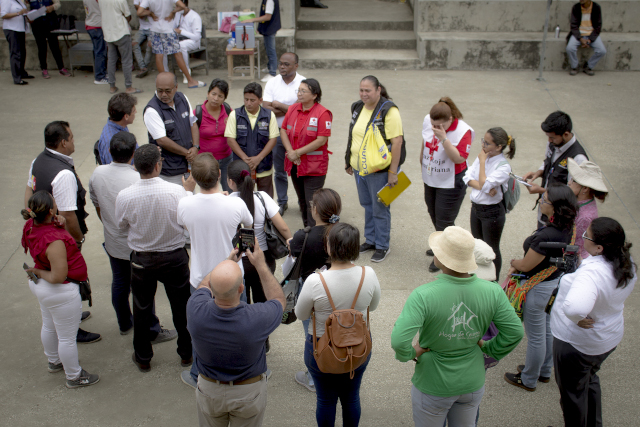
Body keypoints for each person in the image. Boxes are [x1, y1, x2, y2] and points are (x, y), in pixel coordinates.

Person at [391, 226, 523, 426]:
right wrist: (489, 348)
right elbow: (515, 332)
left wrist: (410, 353)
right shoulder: (493, 291)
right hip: (472, 382)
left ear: (441, 258)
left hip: (432, 382)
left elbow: (399, 341)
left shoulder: (423, 295)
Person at [115, 144, 196, 372]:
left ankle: (143, 358)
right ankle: (186, 353)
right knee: (182, 307)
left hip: (142, 259)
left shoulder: (125, 195)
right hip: (174, 257)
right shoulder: (176, 192)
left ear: (135, 166)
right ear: (158, 165)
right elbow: (185, 222)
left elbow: (121, 227)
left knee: (141, 308)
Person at [89, 132, 175, 343]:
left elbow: (96, 203)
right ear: (134, 154)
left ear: (109, 152)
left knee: (119, 282)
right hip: (138, 246)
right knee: (145, 291)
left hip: (113, 240)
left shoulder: (98, 173)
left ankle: (124, 323)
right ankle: (152, 330)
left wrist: (109, 223)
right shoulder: (138, 179)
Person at [177, 153, 253, 389]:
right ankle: (243, 369)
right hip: (232, 276)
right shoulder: (235, 203)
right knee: (239, 325)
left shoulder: (184, 203)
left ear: (194, 178)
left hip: (200, 278)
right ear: (220, 174)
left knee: (201, 328)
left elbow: (184, 222)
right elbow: (249, 226)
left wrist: (188, 191)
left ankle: (197, 372)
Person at [550, 217, 636, 427]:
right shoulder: (626, 262)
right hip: (607, 337)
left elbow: (575, 307)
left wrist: (576, 318)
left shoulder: (592, 273)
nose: (583, 237)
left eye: (586, 236)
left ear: (599, 247)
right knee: (589, 380)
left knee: (572, 395)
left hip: (578, 345)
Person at [187, 243, 285, 427]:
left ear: (212, 291)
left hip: (209, 390)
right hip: (247, 392)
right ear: (241, 289)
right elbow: (278, 299)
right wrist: (261, 265)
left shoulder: (195, 309)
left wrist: (226, 262)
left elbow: (202, 285)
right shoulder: (257, 318)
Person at [295, 222, 380, 426]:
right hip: (358, 345)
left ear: (329, 247)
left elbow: (300, 313)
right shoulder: (368, 274)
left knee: (325, 400)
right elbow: (374, 306)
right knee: (351, 397)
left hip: (321, 347)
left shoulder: (316, 281)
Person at [24, 121, 100, 344]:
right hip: (60, 239)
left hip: (43, 234)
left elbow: (29, 189)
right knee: (70, 278)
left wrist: (33, 220)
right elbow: (68, 215)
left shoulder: (37, 160)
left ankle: (72, 315)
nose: (74, 141)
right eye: (72, 137)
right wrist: (77, 239)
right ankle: (71, 326)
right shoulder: (63, 174)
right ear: (63, 142)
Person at [21, 191, 100, 388]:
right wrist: (39, 271)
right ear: (50, 210)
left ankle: (54, 361)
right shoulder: (54, 241)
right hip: (59, 291)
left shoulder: (31, 225)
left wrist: (60, 225)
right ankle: (74, 376)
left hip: (44, 290)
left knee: (49, 324)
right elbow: (58, 276)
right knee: (67, 337)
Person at [504, 183, 578, 392]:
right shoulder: (567, 227)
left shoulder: (546, 237)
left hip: (537, 288)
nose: (541, 202)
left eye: (544, 200)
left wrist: (514, 262)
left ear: (555, 207)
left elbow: (526, 265)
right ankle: (544, 370)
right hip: (553, 283)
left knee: (536, 337)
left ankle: (528, 379)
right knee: (547, 330)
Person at [345, 76, 406, 263]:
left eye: (368, 90)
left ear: (378, 90)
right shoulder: (357, 107)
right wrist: (349, 160)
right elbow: (353, 135)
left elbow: (397, 142)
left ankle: (382, 245)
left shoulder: (389, 111)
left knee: (380, 207)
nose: (364, 94)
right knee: (367, 205)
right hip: (359, 168)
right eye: (361, 90)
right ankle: (370, 240)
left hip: (380, 170)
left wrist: (393, 172)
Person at [289, 188, 340, 393]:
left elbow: (292, 254)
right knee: (335, 330)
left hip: (311, 290)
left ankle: (313, 378)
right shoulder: (341, 233)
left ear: (316, 210)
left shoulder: (303, 236)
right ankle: (337, 365)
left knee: (313, 334)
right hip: (338, 288)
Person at [227, 160, 292, 311]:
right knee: (263, 305)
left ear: (230, 182)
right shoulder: (262, 197)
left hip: (238, 261)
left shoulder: (227, 202)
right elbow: (282, 227)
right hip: (263, 259)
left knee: (241, 304)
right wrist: (290, 242)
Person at [421, 97, 474, 273]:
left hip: (451, 181)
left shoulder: (463, 131)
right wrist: (422, 158)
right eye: (433, 124)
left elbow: (459, 158)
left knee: (445, 219)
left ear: (450, 119)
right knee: (433, 213)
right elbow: (425, 140)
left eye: (440, 125)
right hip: (432, 177)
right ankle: (441, 245)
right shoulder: (429, 120)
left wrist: (443, 138)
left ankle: (442, 255)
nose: (435, 128)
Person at [463, 127, 516, 280]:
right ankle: (478, 277)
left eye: (487, 143)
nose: (483, 145)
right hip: (476, 208)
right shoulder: (483, 156)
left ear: (499, 146)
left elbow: (485, 184)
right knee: (477, 246)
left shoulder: (503, 166)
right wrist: (483, 186)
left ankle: (493, 281)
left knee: (491, 249)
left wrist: (482, 163)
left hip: (492, 212)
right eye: (483, 141)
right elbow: (467, 177)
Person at [280, 78, 332, 227]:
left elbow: (321, 140)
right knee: (302, 202)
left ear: (314, 95)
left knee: (313, 205)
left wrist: (297, 152)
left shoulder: (323, 113)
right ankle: (307, 232)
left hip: (314, 168)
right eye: (299, 90)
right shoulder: (292, 109)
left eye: (304, 91)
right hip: (296, 164)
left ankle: (314, 236)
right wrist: (291, 152)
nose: (300, 93)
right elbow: (283, 130)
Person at [522, 111, 588, 228]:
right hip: (545, 210)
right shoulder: (555, 143)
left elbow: (571, 193)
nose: (549, 141)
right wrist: (539, 172)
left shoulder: (578, 159)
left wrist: (542, 191)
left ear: (566, 134)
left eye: (552, 138)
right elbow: (548, 161)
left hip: (559, 217)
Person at [263, 52, 306, 215]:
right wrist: (289, 108)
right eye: (280, 63)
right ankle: (282, 202)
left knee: (300, 170)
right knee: (279, 171)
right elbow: (266, 109)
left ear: (296, 66)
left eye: (286, 64)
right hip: (277, 133)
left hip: (299, 136)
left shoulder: (303, 82)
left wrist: (278, 104)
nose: (282, 66)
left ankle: (304, 203)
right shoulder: (272, 83)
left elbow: (302, 108)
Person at [143, 72, 199, 186]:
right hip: (169, 172)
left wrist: (196, 147)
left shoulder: (182, 98)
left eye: (168, 91)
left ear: (176, 87)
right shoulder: (152, 110)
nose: (163, 94)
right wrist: (188, 153)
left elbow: (192, 122)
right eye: (159, 90)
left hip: (187, 167)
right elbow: (161, 140)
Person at [225, 82, 280, 198]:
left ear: (260, 100)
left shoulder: (269, 115)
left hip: (264, 167)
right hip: (242, 168)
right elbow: (230, 139)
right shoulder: (235, 115)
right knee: (244, 200)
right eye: (246, 99)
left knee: (266, 200)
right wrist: (245, 159)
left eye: (252, 100)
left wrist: (258, 158)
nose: (248, 103)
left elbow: (273, 139)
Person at [138, 0, 205, 88]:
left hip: (155, 28)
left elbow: (139, 12)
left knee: (159, 55)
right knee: (178, 53)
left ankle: (164, 84)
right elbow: (182, 6)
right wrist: (172, 12)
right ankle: (190, 80)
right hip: (168, 28)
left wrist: (150, 13)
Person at [194, 78, 233, 192]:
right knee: (208, 192)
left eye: (220, 96)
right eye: (213, 94)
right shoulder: (197, 113)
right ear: (208, 93)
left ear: (224, 98)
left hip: (226, 159)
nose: (216, 99)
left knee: (229, 191)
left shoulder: (227, 110)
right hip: (206, 163)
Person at [567, 158, 608, 259]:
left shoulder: (585, 217)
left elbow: (577, 246)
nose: (569, 182)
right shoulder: (580, 201)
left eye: (573, 180)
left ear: (585, 188)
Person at [99, 0, 142, 94]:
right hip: (121, 32)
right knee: (126, 60)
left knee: (111, 60)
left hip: (109, 33)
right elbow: (128, 16)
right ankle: (128, 87)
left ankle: (112, 86)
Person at [27, 0, 71, 78]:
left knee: (55, 46)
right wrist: (28, 16)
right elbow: (26, 7)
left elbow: (58, 4)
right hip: (37, 24)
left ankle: (61, 68)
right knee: (41, 47)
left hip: (50, 22)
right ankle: (44, 69)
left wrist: (52, 7)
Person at [242, 0, 281, 82]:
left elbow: (267, 17)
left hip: (270, 28)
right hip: (268, 28)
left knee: (271, 50)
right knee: (267, 48)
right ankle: (269, 67)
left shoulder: (270, 1)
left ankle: (272, 73)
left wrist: (252, 20)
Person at [164, 0, 201, 85]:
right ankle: (165, 73)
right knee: (163, 45)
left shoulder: (195, 16)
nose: (176, 9)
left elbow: (197, 37)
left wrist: (181, 31)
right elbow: (173, 27)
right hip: (179, 39)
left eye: (177, 6)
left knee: (181, 46)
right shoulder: (178, 14)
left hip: (193, 41)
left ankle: (186, 72)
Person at [566, 0, 606, 76]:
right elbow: (573, 26)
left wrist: (590, 40)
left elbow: (598, 26)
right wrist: (580, 38)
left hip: (591, 34)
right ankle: (575, 66)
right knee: (570, 48)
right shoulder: (576, 7)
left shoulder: (596, 7)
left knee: (602, 50)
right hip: (578, 34)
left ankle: (588, 66)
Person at [97, 93, 139, 165]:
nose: (136, 112)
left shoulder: (121, 125)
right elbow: (115, 171)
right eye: (134, 111)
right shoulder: (110, 142)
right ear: (126, 116)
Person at [2, 0, 32, 85]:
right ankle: (17, 78)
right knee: (15, 53)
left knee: (22, 52)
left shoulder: (19, 1)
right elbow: (3, 15)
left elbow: (23, 13)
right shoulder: (7, 1)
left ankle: (22, 72)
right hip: (11, 29)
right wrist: (18, 13)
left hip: (20, 29)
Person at [82, 0, 108, 84]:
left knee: (98, 51)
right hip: (97, 25)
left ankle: (102, 73)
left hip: (91, 25)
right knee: (100, 52)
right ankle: (99, 77)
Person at [132, 0, 152, 78]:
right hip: (142, 29)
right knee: (134, 43)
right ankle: (143, 67)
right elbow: (138, 11)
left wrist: (142, 8)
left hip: (152, 28)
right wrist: (146, 9)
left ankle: (144, 67)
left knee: (150, 44)